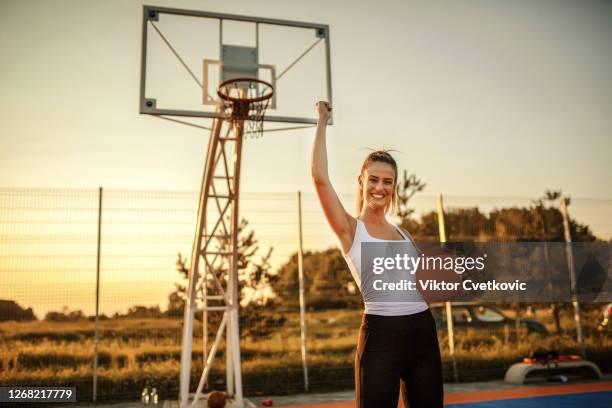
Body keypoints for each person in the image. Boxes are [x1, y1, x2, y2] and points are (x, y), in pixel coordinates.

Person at [311, 101, 443, 408]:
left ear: (394, 187)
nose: (380, 188)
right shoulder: (351, 230)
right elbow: (319, 177)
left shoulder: (404, 234)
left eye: (387, 182)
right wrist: (321, 121)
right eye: (373, 179)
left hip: (423, 333)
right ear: (361, 182)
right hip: (380, 338)